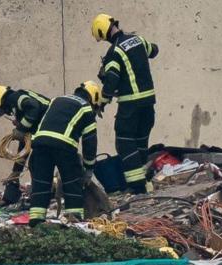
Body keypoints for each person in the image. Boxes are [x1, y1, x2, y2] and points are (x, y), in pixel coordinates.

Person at [91, 13, 159, 194]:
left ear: (102, 32)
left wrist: (102, 102)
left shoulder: (114, 52)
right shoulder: (138, 39)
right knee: (140, 142)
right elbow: (154, 50)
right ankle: (146, 180)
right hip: (148, 104)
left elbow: (111, 80)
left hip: (130, 105)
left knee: (125, 142)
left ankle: (137, 187)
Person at [28, 81, 100, 227]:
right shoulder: (86, 109)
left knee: (41, 183)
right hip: (64, 145)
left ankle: (36, 220)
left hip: (40, 143)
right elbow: (90, 142)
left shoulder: (57, 99)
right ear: (93, 98)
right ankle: (74, 220)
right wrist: (88, 169)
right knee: (72, 181)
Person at [0, 86, 50, 204]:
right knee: (36, 162)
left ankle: (40, 199)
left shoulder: (14, 97)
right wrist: (16, 171)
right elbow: (24, 144)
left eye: (1, 110)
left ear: (0, 101)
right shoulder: (21, 112)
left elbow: (34, 106)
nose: (6, 112)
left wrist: (21, 128)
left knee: (36, 162)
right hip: (49, 127)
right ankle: (38, 196)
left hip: (52, 125)